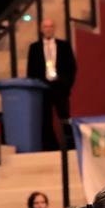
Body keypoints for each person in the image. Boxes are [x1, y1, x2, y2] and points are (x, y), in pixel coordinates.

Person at [27, 19, 77, 151]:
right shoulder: (34, 48)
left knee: (65, 117)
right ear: (41, 29)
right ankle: (50, 147)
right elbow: (31, 70)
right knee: (45, 119)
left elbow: (71, 67)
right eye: (45, 27)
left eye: (50, 26)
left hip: (60, 87)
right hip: (43, 88)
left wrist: (66, 84)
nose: (48, 29)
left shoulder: (64, 45)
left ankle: (71, 146)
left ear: (54, 28)